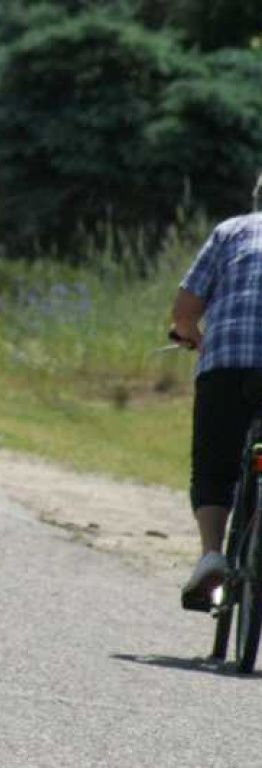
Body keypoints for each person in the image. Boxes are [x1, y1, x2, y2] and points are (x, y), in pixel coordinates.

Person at [171, 170, 262, 611]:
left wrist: (191, 335)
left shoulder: (231, 231)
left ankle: (211, 555)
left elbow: (185, 309)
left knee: (214, 466)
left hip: (226, 363)